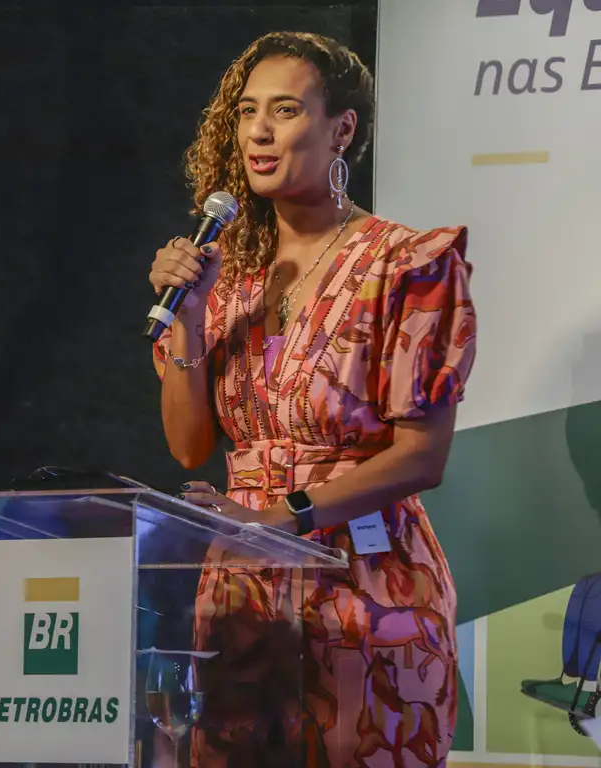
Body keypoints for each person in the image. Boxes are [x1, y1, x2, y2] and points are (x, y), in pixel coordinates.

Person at [147, 31, 476, 767]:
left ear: (342, 129)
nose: (259, 131)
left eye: (287, 109)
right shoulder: (220, 273)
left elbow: (422, 456)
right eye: (248, 112)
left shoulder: (408, 262)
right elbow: (188, 447)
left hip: (369, 582)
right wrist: (192, 318)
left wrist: (280, 518)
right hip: (243, 590)